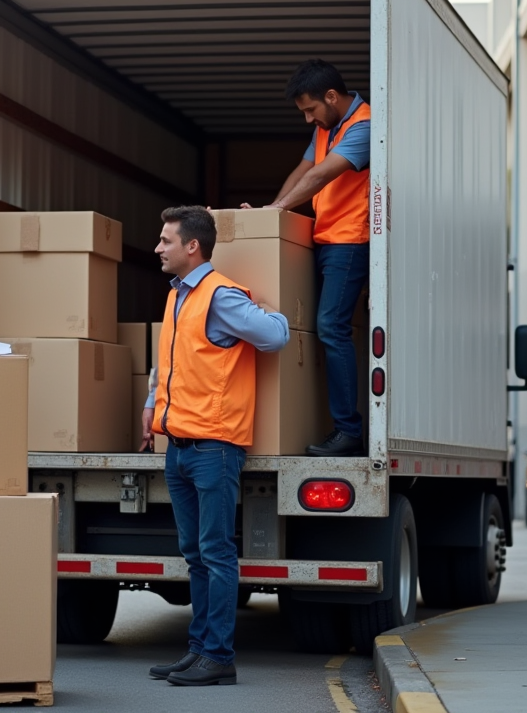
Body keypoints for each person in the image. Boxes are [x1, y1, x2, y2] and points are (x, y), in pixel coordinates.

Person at [141, 206, 289, 687]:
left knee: (216, 552)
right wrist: (151, 404)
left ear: (192, 247)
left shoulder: (219, 295)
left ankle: (219, 655)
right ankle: (200, 649)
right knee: (196, 554)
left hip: (214, 446)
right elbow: (172, 363)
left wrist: (280, 312)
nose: (158, 248)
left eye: (166, 240)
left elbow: (275, 335)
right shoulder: (178, 296)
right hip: (179, 446)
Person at [246, 59, 371, 457]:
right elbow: (303, 171)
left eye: (310, 109)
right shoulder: (325, 129)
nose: (307, 119)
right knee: (320, 328)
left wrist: (275, 211)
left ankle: (350, 432)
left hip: (350, 241)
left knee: (331, 326)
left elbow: (321, 176)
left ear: (331, 97)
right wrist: (274, 212)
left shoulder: (364, 126)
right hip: (324, 238)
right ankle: (338, 425)